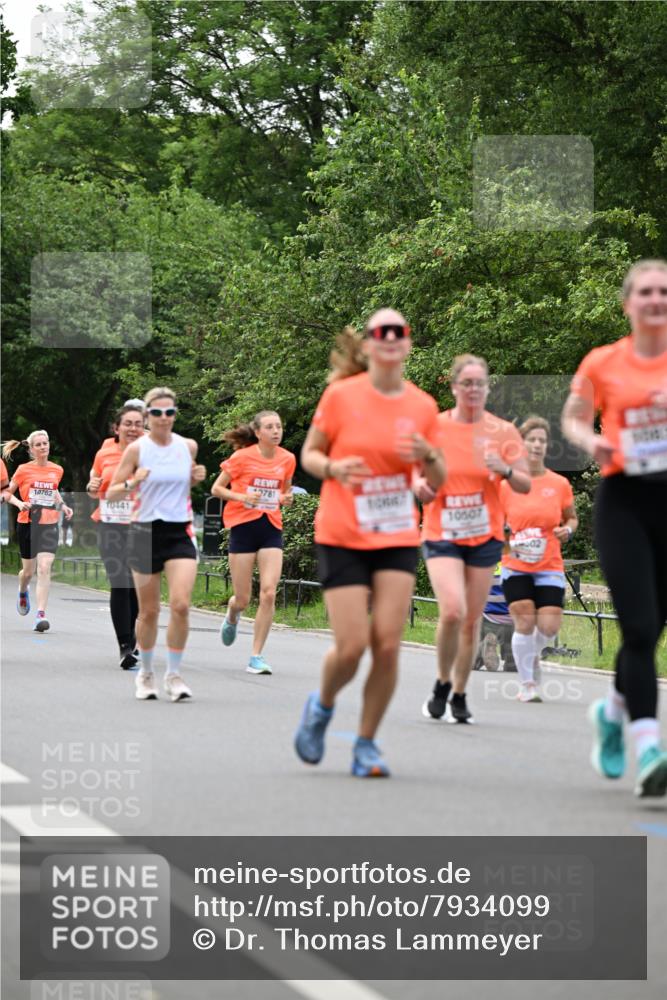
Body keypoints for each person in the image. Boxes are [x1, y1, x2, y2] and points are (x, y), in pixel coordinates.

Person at [295, 310, 445, 777]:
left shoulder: (423, 406)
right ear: (369, 344)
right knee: (353, 645)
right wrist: (334, 469)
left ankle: (366, 743)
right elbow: (310, 454)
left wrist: (431, 456)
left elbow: (436, 480)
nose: (391, 339)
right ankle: (321, 707)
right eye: (381, 332)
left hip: (397, 532)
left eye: (399, 331)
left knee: (387, 644)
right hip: (342, 532)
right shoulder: (341, 396)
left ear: (408, 343)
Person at [562, 258, 667, 798]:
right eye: (645, 292)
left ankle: (611, 711)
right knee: (641, 627)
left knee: (654, 628)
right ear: (629, 303)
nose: (655, 300)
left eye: (663, 292)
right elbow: (574, 417)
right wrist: (590, 442)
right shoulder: (604, 361)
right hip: (624, 501)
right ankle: (650, 747)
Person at [418, 354, 530, 724]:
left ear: (487, 388)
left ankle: (460, 693)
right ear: (453, 387)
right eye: (466, 383)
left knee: (470, 622)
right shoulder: (433, 427)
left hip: (484, 537)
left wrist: (506, 469)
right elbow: (412, 475)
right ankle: (440, 682)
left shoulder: (503, 432)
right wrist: (421, 488)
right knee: (453, 610)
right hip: (442, 532)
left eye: (479, 383)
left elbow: (525, 482)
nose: (473, 390)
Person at [108, 388, 206, 701]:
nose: (164, 419)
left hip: (179, 532)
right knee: (148, 612)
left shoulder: (187, 447)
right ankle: (146, 673)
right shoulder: (137, 451)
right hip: (143, 532)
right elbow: (111, 493)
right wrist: (134, 482)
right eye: (157, 413)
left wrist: (195, 479)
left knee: (180, 604)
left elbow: (182, 485)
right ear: (149, 415)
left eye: (169, 413)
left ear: (175, 415)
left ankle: (174, 675)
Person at [211, 411, 296, 675]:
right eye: (269, 427)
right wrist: (242, 496)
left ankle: (256, 656)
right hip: (243, 527)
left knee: (269, 592)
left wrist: (286, 498)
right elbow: (217, 489)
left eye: (279, 426)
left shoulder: (288, 458)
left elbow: (286, 490)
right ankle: (233, 613)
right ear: (258, 432)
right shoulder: (241, 458)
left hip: (271, 527)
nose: (276, 431)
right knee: (243, 598)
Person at [500, 416, 578, 702]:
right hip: (516, 564)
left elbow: (572, 518)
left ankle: (531, 656)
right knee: (523, 620)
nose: (536, 444)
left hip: (549, 565)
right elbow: (495, 524)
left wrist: (567, 530)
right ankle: (527, 684)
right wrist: (506, 545)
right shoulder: (506, 486)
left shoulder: (559, 484)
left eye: (541, 440)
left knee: (548, 626)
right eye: (531, 439)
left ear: (547, 446)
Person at [87, 403, 145, 669]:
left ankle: (132, 638)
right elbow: (94, 484)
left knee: (136, 588)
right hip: (109, 524)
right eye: (128, 424)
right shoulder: (105, 450)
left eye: (138, 424)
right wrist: (91, 486)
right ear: (117, 427)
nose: (133, 428)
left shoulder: (153, 450)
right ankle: (125, 646)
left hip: (142, 526)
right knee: (119, 583)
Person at [2, 431, 73, 631]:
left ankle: (40, 614)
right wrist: (19, 503)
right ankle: (23, 590)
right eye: (39, 444)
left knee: (44, 567)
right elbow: (7, 493)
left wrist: (63, 506)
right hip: (27, 523)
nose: (43, 447)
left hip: (49, 523)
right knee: (29, 571)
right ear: (32, 449)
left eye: (46, 443)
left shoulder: (57, 469)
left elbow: (53, 490)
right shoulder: (23, 470)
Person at [472, 562, 517, 672]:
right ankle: (511, 658)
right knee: (512, 666)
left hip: (489, 615)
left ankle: (480, 650)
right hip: (513, 620)